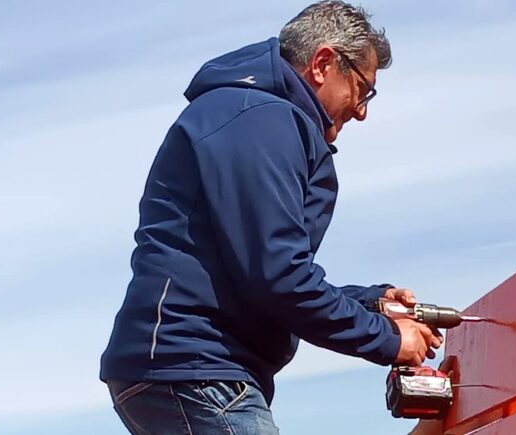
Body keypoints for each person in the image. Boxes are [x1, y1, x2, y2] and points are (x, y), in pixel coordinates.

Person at [99, 1, 442, 434]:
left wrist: (370, 303)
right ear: (323, 63)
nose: (361, 110)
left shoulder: (252, 115)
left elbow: (257, 273)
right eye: (362, 89)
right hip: (197, 368)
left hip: (189, 367)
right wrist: (389, 339)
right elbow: (278, 276)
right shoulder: (262, 119)